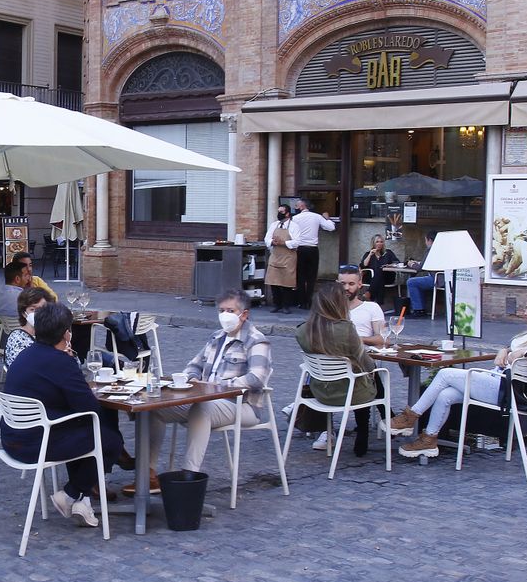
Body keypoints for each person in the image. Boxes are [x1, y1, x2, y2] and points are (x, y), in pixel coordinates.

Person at [390, 290, 527, 459]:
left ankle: (410, 417)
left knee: (445, 374)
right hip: (500, 382)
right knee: (445, 395)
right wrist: (506, 350)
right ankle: (429, 438)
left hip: (509, 391)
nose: (523, 312)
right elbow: (517, 351)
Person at [2, 303, 129, 527]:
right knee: (111, 441)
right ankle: (71, 494)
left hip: (11, 438)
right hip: (36, 445)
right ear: (66, 333)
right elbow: (90, 409)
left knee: (84, 432)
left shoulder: (26, 355)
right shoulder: (61, 362)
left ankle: (83, 500)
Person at [143, 290, 273, 477]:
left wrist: (217, 385)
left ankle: (189, 474)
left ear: (244, 314)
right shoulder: (216, 336)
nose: (225, 315)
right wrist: (190, 377)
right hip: (205, 398)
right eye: (221, 310)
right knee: (152, 409)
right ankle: (147, 473)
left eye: (230, 311)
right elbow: (194, 365)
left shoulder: (256, 341)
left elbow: (256, 378)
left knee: (201, 409)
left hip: (242, 405)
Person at [297, 282, 380, 458]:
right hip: (349, 394)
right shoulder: (346, 329)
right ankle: (370, 429)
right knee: (368, 374)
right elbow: (368, 365)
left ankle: (387, 419)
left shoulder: (303, 331)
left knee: (356, 376)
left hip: (320, 392)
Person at [285, 197, 336, 311]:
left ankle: (301, 301)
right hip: (313, 249)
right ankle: (309, 301)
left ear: (302, 206)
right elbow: (331, 227)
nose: (295, 208)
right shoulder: (317, 217)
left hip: (300, 249)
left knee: (300, 276)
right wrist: (327, 218)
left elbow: (289, 233)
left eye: (297, 206)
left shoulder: (295, 219)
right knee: (311, 277)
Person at [339, 265, 387, 346]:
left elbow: (384, 339)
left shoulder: (372, 307)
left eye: (351, 284)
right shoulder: (328, 306)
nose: (346, 288)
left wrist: (355, 339)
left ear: (359, 284)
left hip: (359, 355)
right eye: (342, 283)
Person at [4, 286, 49, 368]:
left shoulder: (52, 334)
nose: (39, 313)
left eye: (42, 309)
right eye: (33, 309)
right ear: (24, 313)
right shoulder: (17, 338)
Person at [264, 204, 297, 313]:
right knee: (273, 282)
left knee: (287, 283)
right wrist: (272, 242)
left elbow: (297, 242)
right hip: (275, 256)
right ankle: (276, 304)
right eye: (278, 211)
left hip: (288, 258)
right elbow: (267, 238)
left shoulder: (294, 226)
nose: (279, 214)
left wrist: (283, 243)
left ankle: (286, 306)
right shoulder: (274, 225)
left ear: (287, 213)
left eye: (281, 211)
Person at [360, 236, 399, 307]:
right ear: (373, 243)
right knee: (379, 275)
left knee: (380, 272)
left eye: (381, 242)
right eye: (377, 242)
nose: (379, 244)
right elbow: (363, 265)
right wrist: (370, 255)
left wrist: (389, 265)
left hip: (388, 277)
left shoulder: (388, 253)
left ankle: (369, 293)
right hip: (371, 278)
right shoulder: (368, 254)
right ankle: (379, 304)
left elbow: (396, 262)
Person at [404, 230, 437, 315]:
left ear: (429, 240)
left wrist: (411, 264)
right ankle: (420, 308)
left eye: (425, 240)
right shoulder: (441, 249)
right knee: (417, 283)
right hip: (442, 278)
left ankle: (418, 309)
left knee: (411, 282)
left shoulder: (431, 249)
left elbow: (421, 268)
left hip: (436, 279)